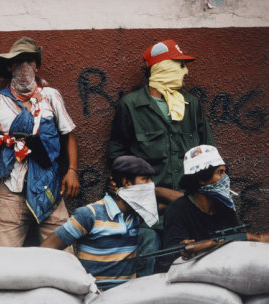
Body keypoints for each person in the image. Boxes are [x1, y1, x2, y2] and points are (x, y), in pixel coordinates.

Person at [107, 39, 214, 275]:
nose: (185, 72)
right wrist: (122, 180)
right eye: (179, 65)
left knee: (190, 269)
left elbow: (208, 150)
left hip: (187, 206)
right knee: (146, 265)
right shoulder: (131, 105)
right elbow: (117, 149)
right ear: (161, 68)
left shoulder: (191, 105)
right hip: (148, 210)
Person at [0, 36, 80, 247]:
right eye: (18, 62)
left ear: (37, 67)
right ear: (9, 67)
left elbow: (68, 135)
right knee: (4, 261)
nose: (24, 67)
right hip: (11, 192)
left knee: (62, 258)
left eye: (29, 62)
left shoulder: (51, 97)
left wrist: (72, 171)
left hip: (49, 188)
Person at [41, 155, 158, 290]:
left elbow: (178, 202)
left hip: (127, 296)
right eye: (145, 179)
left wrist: (153, 191)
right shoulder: (89, 214)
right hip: (94, 295)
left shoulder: (137, 214)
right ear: (126, 182)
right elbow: (48, 247)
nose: (151, 185)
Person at [163, 145, 239, 249]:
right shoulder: (178, 209)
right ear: (202, 179)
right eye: (220, 172)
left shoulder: (223, 206)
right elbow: (172, 251)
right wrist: (184, 248)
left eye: (225, 172)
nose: (225, 178)